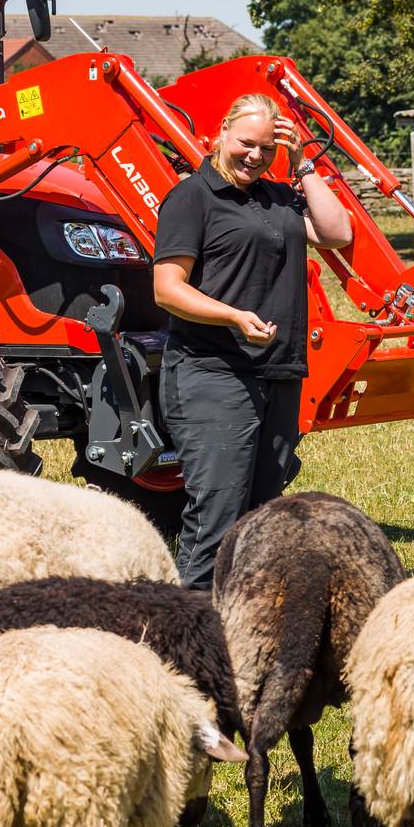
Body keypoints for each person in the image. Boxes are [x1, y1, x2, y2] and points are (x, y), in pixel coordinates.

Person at [152, 92, 353, 589]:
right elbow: (167, 289)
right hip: (212, 373)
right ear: (221, 131)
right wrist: (233, 317)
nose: (255, 156)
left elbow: (336, 232)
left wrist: (303, 165)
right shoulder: (192, 198)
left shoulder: (278, 196)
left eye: (267, 148)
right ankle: (191, 632)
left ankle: (246, 620)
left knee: (263, 516)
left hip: (277, 373)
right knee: (216, 518)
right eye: (246, 143)